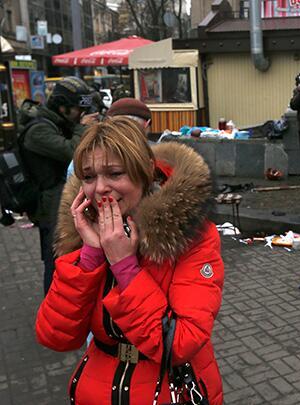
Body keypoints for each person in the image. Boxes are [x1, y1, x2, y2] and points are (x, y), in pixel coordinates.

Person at [35, 117, 224, 404]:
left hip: (169, 389)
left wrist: (125, 267)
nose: (99, 188)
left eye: (114, 173)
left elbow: (180, 343)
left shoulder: (190, 237)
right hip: (97, 389)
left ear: (145, 171)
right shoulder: (85, 233)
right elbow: (56, 336)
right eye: (88, 177)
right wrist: (90, 257)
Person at [18, 76, 98, 294]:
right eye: (76, 110)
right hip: (49, 204)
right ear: (62, 107)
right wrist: (83, 128)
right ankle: (53, 304)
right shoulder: (38, 131)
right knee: (55, 259)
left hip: (59, 198)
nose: (79, 115)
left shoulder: (58, 123)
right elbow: (73, 152)